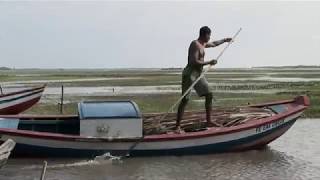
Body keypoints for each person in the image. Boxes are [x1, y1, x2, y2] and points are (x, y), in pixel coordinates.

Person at [176, 26, 232, 132]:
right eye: (209, 35)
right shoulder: (195, 44)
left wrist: (225, 40)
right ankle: (177, 126)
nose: (210, 38)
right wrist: (209, 62)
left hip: (198, 73)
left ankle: (209, 121)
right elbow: (193, 61)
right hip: (190, 74)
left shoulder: (203, 44)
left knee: (209, 94)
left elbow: (214, 44)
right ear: (204, 35)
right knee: (185, 99)